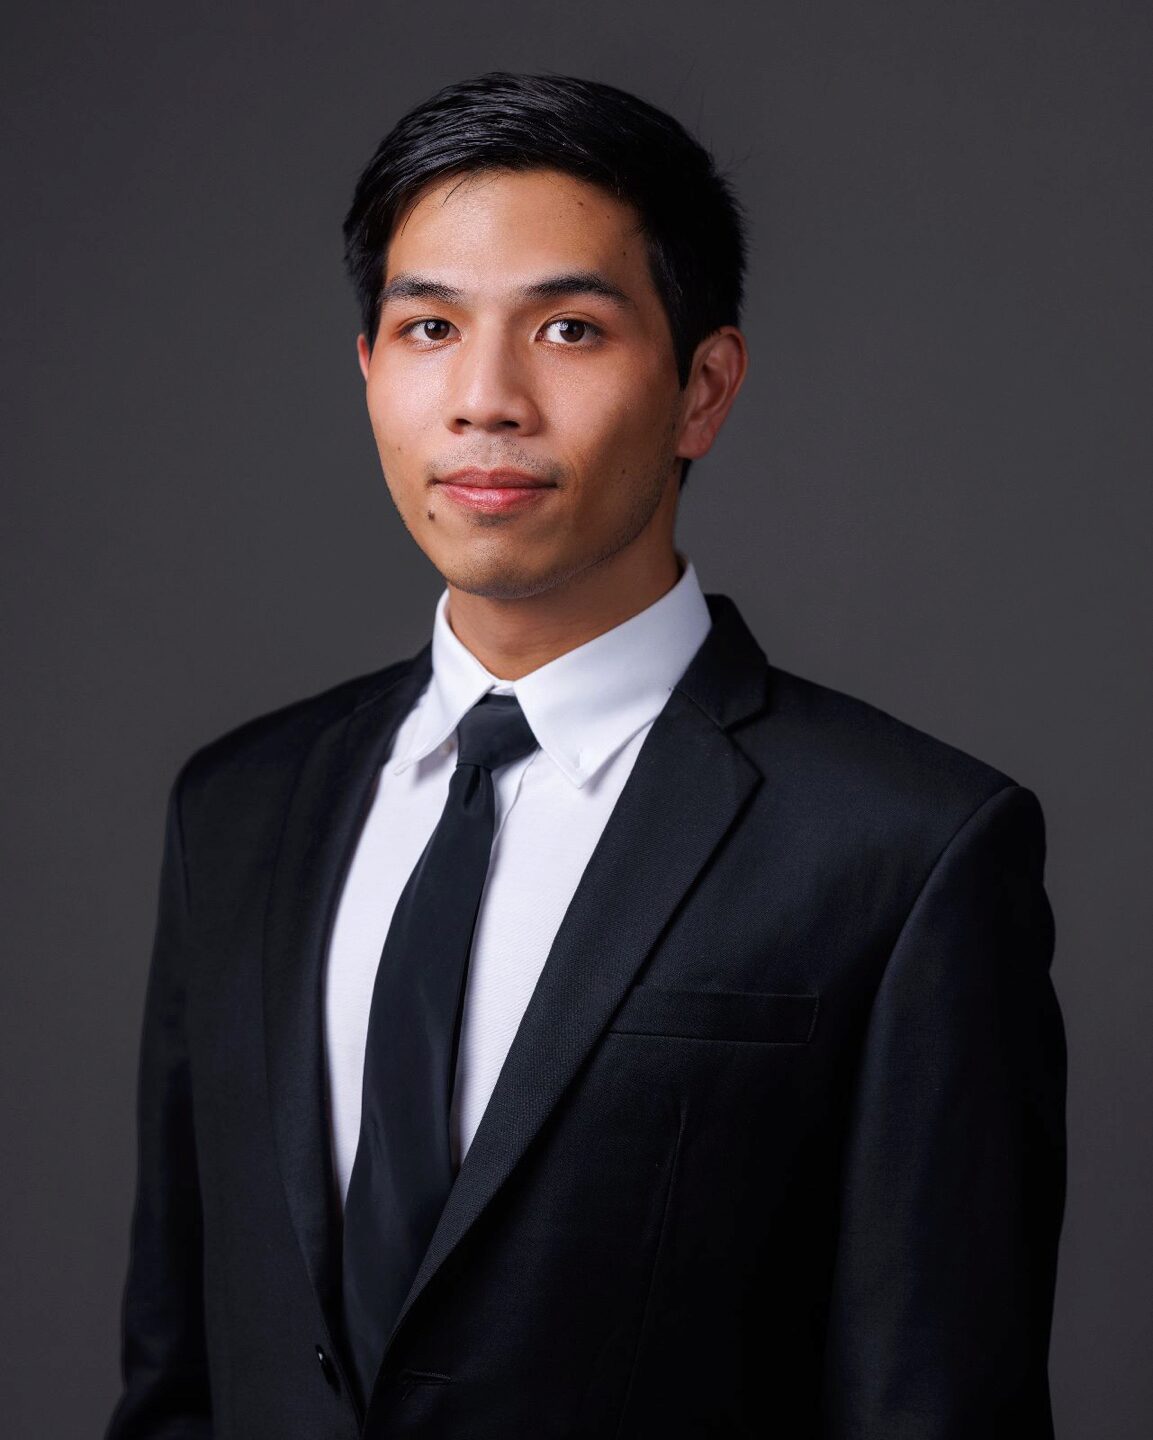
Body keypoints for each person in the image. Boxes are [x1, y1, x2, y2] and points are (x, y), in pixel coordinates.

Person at [105, 71, 1066, 1439]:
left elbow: (933, 1403)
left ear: (701, 387)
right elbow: (178, 1374)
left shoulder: (903, 849)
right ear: (371, 370)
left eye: (567, 327)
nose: (484, 400)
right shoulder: (240, 806)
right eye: (428, 325)